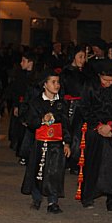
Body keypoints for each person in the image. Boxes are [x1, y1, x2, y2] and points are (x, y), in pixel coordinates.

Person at [80, 59, 112, 212]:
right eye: (104, 80)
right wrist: (99, 126)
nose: (107, 83)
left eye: (111, 80)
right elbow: (85, 108)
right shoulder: (90, 86)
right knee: (92, 162)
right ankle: (88, 195)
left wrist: (111, 127)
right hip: (95, 130)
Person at [20, 71, 71, 213]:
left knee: (55, 172)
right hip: (40, 143)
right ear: (44, 84)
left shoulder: (61, 103)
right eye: (53, 82)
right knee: (38, 170)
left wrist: (67, 142)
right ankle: (36, 198)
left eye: (58, 82)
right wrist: (42, 120)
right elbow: (30, 121)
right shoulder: (36, 103)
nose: (57, 85)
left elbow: (66, 124)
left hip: (56, 144)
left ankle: (53, 202)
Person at [61, 46, 88, 174]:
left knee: (78, 135)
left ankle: (75, 162)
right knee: (68, 133)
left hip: (81, 106)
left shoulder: (84, 72)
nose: (83, 60)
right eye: (80, 57)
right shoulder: (66, 72)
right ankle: (65, 160)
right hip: (69, 105)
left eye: (84, 57)